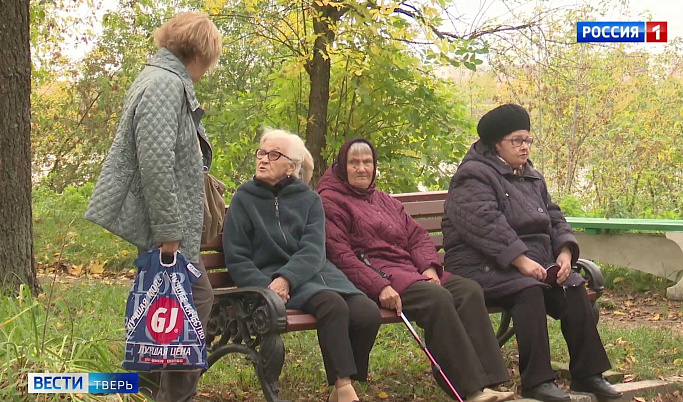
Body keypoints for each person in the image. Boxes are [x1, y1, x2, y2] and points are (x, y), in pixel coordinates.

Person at [442, 104, 622, 401]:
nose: (525, 147)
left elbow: (554, 217)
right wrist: (521, 260)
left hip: (529, 263)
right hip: (481, 265)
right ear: (495, 143)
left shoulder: (530, 175)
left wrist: (564, 252)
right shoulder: (473, 176)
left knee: (573, 288)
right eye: (517, 141)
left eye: (528, 140)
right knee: (529, 291)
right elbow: (484, 225)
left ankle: (587, 375)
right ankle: (537, 380)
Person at [85, 12, 222, 401]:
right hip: (168, 234)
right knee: (193, 309)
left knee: (167, 316)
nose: (207, 70)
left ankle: (144, 392)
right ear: (201, 52)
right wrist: (169, 233)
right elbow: (156, 162)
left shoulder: (162, 79)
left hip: (169, 232)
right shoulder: (164, 84)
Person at [317, 138, 514, 402]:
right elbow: (341, 256)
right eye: (354, 163)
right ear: (342, 166)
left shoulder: (384, 199)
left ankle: (491, 381)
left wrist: (430, 268)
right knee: (438, 298)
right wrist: (380, 286)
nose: (362, 168)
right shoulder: (330, 201)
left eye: (367, 162)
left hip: (412, 270)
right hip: (378, 274)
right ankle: (469, 389)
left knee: (467, 290)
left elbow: (418, 236)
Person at [222, 129, 381, 402]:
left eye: (274, 155)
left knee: (367, 312)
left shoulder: (309, 199)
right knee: (332, 305)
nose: (263, 159)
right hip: (270, 279)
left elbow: (314, 249)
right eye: (261, 153)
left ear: (292, 167)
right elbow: (236, 257)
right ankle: (343, 386)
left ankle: (343, 386)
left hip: (313, 273)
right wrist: (271, 287)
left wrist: (288, 278)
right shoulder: (243, 199)